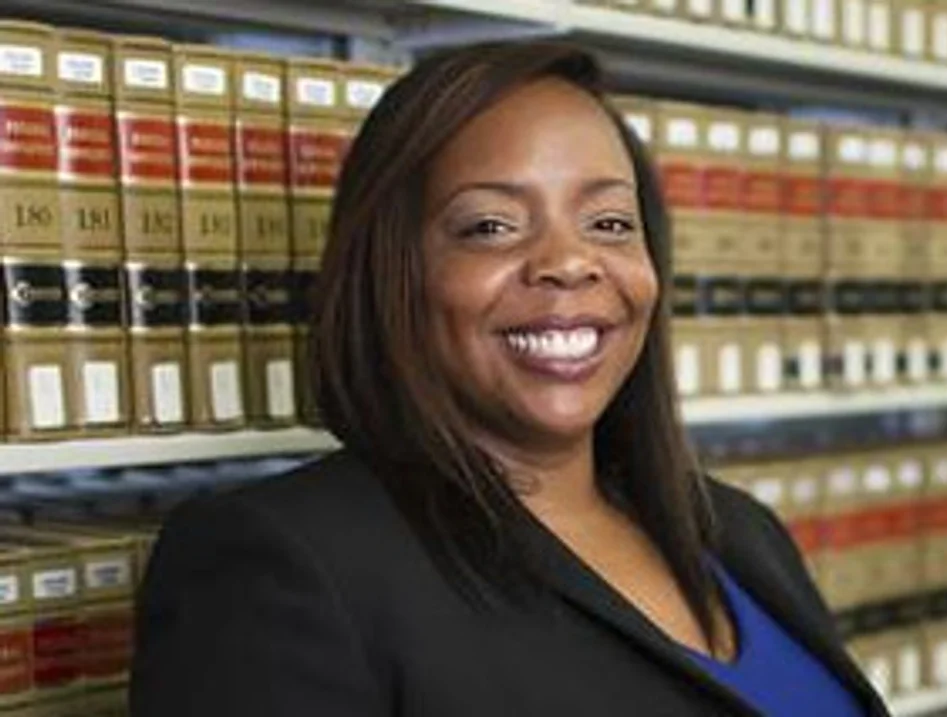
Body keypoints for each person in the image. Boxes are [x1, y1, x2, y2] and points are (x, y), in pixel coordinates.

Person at [129, 42, 888, 716]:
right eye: (491, 226)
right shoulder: (282, 564)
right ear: (393, 273)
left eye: (610, 223)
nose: (570, 262)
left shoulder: (738, 528)